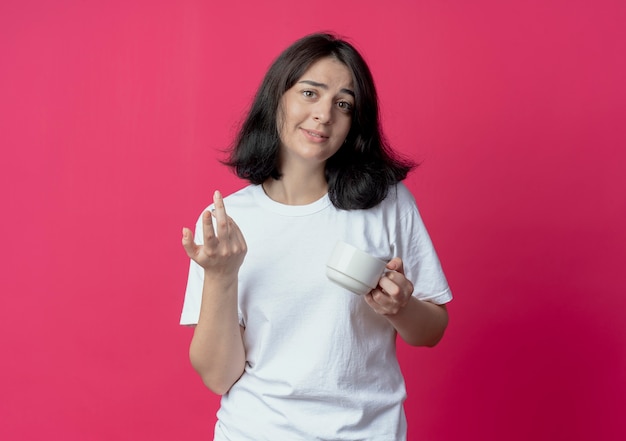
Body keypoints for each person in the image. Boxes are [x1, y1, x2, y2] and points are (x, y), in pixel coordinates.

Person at [180, 32, 452, 441]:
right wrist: (221, 276)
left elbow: (431, 331)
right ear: (278, 99)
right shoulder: (228, 221)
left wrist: (400, 306)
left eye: (343, 104)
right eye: (310, 93)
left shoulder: (387, 203)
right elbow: (219, 376)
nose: (324, 114)